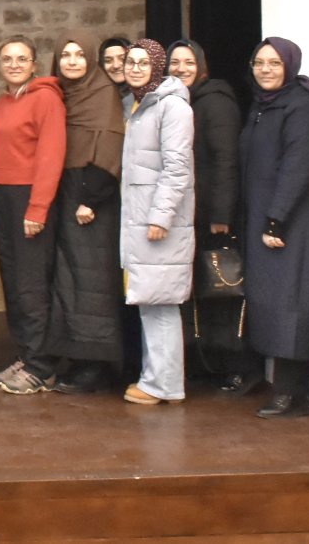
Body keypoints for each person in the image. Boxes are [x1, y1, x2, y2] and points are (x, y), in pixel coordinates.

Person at [240, 37, 309, 419]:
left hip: (289, 224)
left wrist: (276, 218)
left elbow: (298, 165)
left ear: (289, 66)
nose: (265, 70)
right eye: (259, 62)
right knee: (275, 304)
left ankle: (289, 391)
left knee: (290, 305)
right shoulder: (263, 106)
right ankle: (305, 389)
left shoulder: (302, 105)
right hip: (266, 218)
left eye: (274, 63)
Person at [167, 39, 259, 394]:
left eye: (188, 62)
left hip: (212, 216)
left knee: (224, 292)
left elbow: (225, 160)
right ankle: (208, 364)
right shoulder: (179, 103)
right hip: (189, 214)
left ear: (201, 66)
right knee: (200, 295)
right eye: (175, 63)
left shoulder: (215, 102)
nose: (181, 69)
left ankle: (239, 367)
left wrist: (221, 214)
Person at [42, 34, 127, 394]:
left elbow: (111, 147)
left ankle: (95, 364)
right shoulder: (59, 96)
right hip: (66, 191)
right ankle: (75, 356)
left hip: (91, 198)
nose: (73, 61)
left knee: (93, 281)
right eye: (66, 55)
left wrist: (90, 199)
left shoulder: (103, 94)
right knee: (68, 277)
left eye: (80, 55)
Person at [0, 38, 66, 395]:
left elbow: (52, 154)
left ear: (34, 64)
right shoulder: (3, 100)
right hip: (1, 197)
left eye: (22, 59)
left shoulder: (46, 98)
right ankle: (25, 354)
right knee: (14, 284)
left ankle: (41, 367)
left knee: (32, 285)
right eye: (7, 59)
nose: (14, 64)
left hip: (29, 198)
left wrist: (37, 208)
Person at [118, 40, 196, 406]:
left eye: (142, 62)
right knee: (151, 301)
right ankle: (155, 378)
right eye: (130, 62)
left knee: (162, 303)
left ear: (158, 66)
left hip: (159, 223)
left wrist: (161, 216)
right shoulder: (136, 104)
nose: (134, 68)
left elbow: (177, 168)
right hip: (139, 220)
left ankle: (164, 384)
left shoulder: (173, 106)